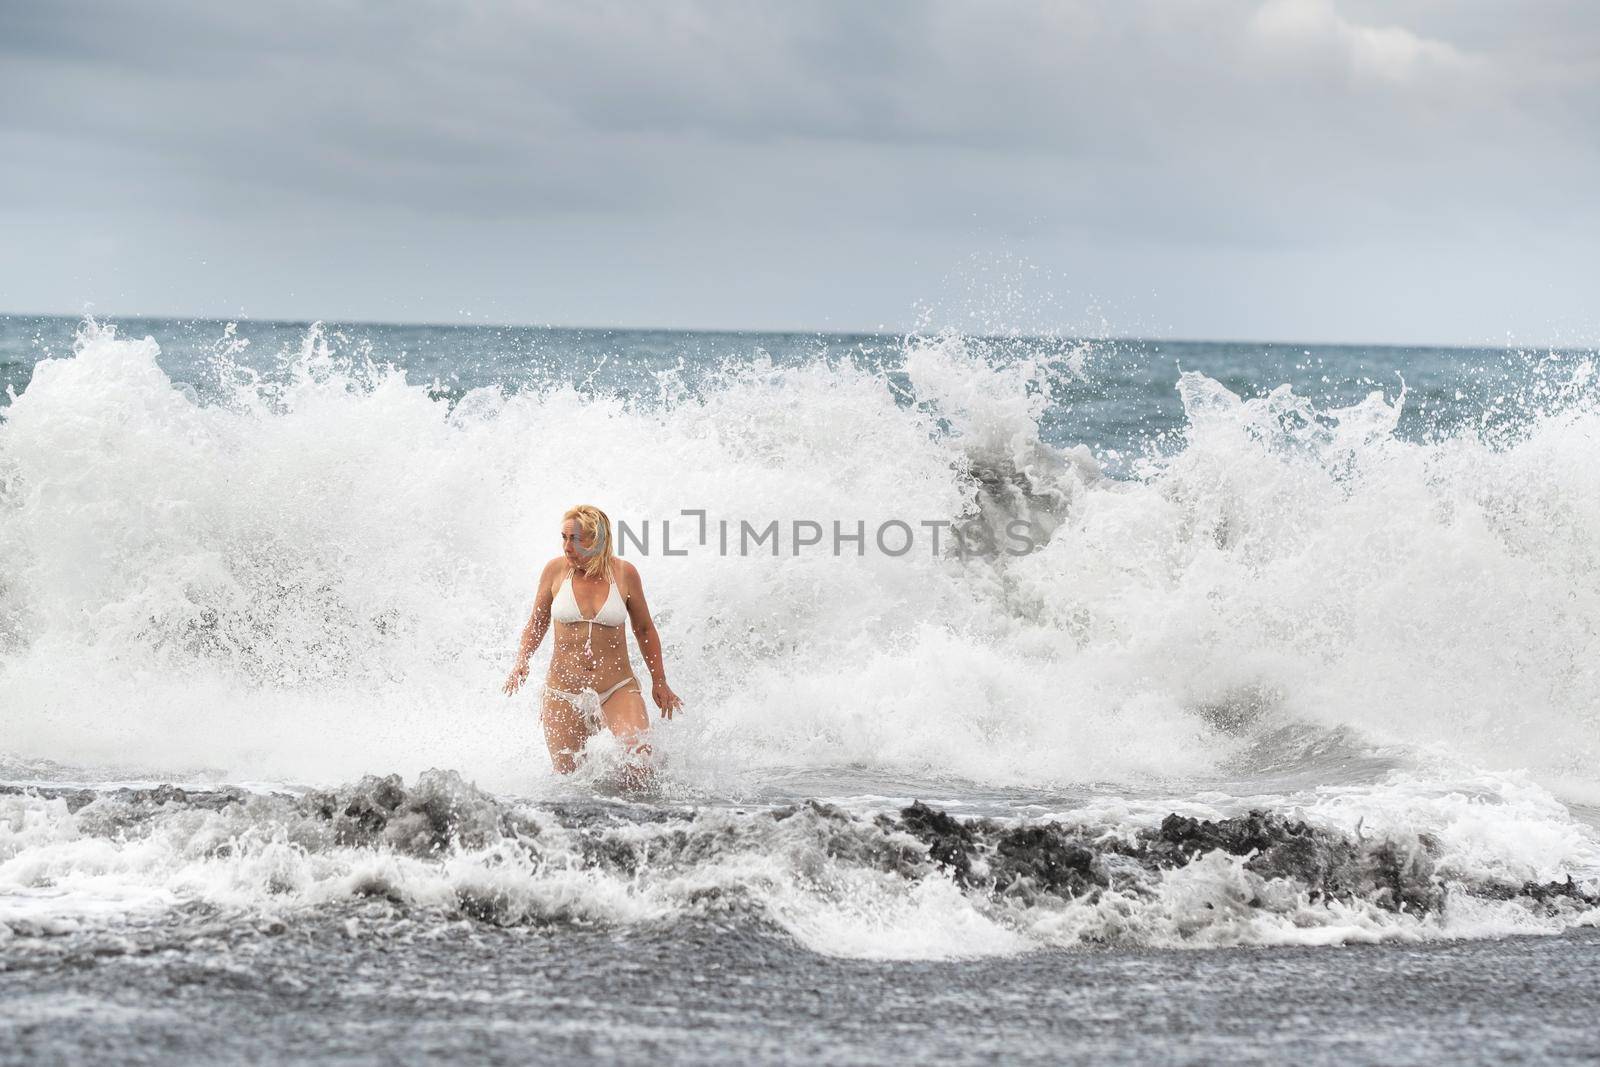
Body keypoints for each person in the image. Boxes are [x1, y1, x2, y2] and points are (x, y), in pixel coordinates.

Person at [502, 504, 682, 780]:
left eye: (575, 539)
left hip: (616, 688)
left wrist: (659, 680)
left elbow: (644, 629)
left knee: (640, 766)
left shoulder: (624, 574)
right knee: (569, 779)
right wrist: (522, 661)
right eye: (563, 538)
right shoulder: (555, 571)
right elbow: (536, 623)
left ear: (597, 539)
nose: (567, 546)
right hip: (563, 692)